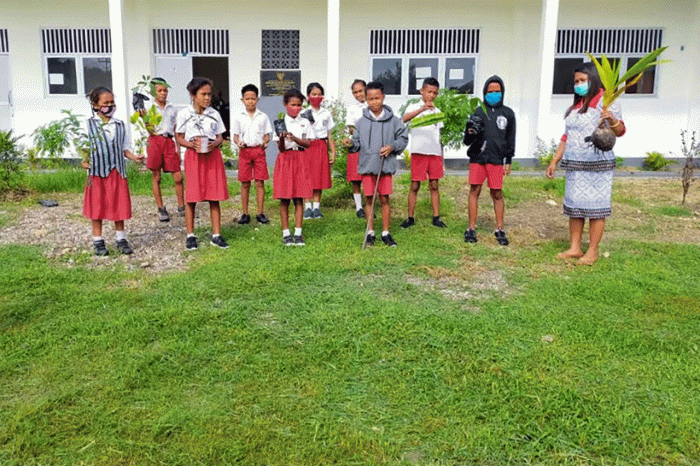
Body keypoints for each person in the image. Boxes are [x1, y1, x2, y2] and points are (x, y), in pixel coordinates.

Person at [546, 62, 626, 265]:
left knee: (596, 209)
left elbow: (620, 131)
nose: (579, 84)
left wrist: (612, 119)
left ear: (594, 80)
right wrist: (555, 160)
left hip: (596, 165)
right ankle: (575, 247)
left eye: (583, 80)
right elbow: (566, 136)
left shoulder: (605, 103)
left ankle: (592, 251)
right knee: (575, 207)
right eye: (576, 81)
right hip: (575, 165)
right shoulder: (576, 106)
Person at [82, 86, 144, 256]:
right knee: (97, 205)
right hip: (97, 173)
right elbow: (84, 150)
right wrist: (84, 160)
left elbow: (125, 149)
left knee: (118, 204)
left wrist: (134, 157)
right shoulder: (88, 125)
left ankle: (121, 238)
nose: (109, 106)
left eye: (112, 102)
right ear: (95, 105)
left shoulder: (120, 125)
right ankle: (98, 240)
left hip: (116, 171)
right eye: (105, 103)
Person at [349, 81, 408, 247]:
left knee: (384, 199)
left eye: (377, 98)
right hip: (368, 166)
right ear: (366, 99)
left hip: (385, 166)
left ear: (383, 97)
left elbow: (402, 139)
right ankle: (370, 232)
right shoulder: (360, 122)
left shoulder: (394, 121)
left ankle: (386, 232)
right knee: (369, 199)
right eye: (371, 99)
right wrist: (349, 144)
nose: (374, 102)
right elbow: (356, 144)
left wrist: (392, 147)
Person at [175, 77, 230, 251]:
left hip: (212, 157)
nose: (207, 98)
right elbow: (179, 136)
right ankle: (190, 235)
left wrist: (216, 142)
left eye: (209, 94)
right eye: (203, 94)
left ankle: (216, 234)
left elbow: (221, 135)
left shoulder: (214, 113)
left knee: (214, 196)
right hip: (194, 157)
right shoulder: (184, 114)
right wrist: (189, 144)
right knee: (192, 197)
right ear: (193, 95)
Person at [463, 75, 516, 246]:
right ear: (484, 92)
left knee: (497, 193)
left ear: (502, 93)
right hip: (478, 157)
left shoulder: (508, 114)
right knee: (474, 190)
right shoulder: (478, 111)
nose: (493, 94)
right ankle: (471, 227)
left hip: (496, 158)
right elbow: (467, 140)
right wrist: (470, 132)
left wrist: (508, 159)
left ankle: (499, 228)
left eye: (497, 92)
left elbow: (510, 138)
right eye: (490, 92)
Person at [401, 77, 447, 229]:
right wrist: (422, 109)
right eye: (429, 92)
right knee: (415, 185)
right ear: (422, 91)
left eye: (435, 93)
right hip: (418, 152)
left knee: (434, 185)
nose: (432, 95)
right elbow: (404, 119)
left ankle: (436, 217)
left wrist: (443, 159)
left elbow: (439, 136)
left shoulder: (438, 112)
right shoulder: (414, 107)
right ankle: (410, 217)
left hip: (434, 153)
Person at [273, 88, 312, 246]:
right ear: (285, 104)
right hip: (285, 159)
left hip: (300, 159)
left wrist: (294, 138)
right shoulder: (280, 123)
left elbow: (308, 143)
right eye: (292, 104)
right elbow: (281, 148)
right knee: (284, 198)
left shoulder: (304, 122)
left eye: (298, 105)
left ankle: (298, 232)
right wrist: (282, 139)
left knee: (299, 197)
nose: (295, 108)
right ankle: (286, 233)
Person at [143, 77, 185, 222]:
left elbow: (176, 129)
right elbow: (149, 129)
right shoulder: (149, 108)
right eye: (160, 90)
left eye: (165, 90)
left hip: (169, 141)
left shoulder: (173, 108)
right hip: (155, 140)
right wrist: (144, 118)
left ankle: (181, 206)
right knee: (157, 177)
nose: (163, 93)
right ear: (153, 92)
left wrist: (178, 148)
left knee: (178, 176)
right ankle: (161, 208)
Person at [231, 83, 272, 225]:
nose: (250, 101)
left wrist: (265, 142)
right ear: (242, 100)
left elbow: (267, 135)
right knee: (245, 183)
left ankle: (260, 212)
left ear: (257, 99)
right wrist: (239, 143)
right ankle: (245, 213)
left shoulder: (263, 117)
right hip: (245, 151)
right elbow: (235, 136)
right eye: (247, 99)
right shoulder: (238, 117)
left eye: (253, 98)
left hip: (258, 151)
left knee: (260, 182)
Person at [303, 82, 335, 219]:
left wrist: (333, 151)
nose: (316, 97)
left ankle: (317, 207)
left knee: (319, 176)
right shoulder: (304, 114)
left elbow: (330, 134)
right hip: (308, 146)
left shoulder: (326, 113)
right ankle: (307, 207)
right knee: (307, 176)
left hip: (321, 146)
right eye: (313, 94)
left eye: (319, 94)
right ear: (308, 96)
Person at [345, 79, 367, 218]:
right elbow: (351, 128)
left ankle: (371, 204)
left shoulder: (374, 105)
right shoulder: (352, 109)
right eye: (355, 92)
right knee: (356, 178)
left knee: (370, 177)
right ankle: (359, 207)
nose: (358, 94)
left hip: (373, 146)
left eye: (360, 90)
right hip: (357, 145)